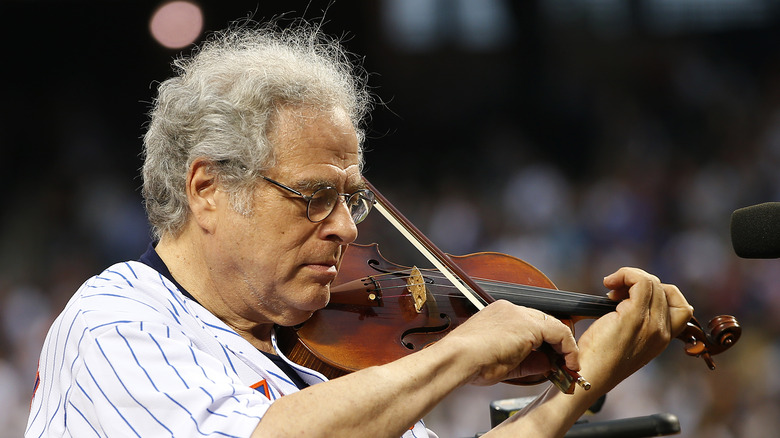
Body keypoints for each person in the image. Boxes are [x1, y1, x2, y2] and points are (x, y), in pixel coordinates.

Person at [26, 21, 693, 438]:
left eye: (352, 197)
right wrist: (459, 352)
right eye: (315, 196)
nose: (345, 226)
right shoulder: (114, 326)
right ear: (207, 189)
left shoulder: (327, 360)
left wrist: (586, 380)